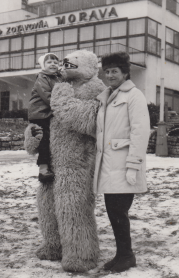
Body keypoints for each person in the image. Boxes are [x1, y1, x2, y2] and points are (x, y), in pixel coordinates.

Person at [94, 52, 150, 273]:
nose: (110, 75)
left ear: (125, 72)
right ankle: (122, 254)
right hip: (109, 166)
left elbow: (140, 132)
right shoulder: (107, 96)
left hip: (124, 165)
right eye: (106, 71)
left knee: (118, 211)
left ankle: (127, 256)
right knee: (113, 212)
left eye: (114, 71)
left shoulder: (134, 95)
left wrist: (134, 165)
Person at [28, 53, 63, 182]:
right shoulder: (42, 78)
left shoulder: (58, 77)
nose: (53, 64)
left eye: (55, 62)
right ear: (43, 66)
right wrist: (62, 106)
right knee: (45, 139)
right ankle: (43, 169)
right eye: (49, 62)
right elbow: (48, 97)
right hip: (40, 113)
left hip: (50, 112)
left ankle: (54, 164)